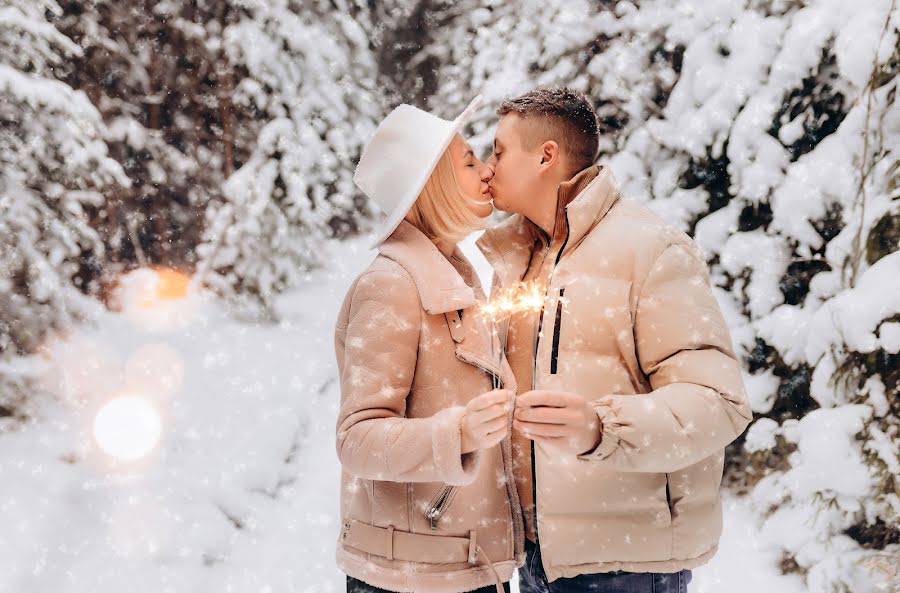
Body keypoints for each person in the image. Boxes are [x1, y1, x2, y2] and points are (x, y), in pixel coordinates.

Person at [476, 88, 754, 592]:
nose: (488, 167)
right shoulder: (518, 258)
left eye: (499, 150)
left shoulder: (651, 250)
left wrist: (601, 428)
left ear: (546, 156)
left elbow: (719, 404)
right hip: (536, 560)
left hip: (626, 567)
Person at [334, 95, 525, 593]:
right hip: (410, 579)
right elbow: (356, 440)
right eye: (468, 161)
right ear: (429, 184)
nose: (487, 172)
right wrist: (456, 434)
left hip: (462, 565)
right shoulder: (392, 285)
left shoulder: (455, 278)